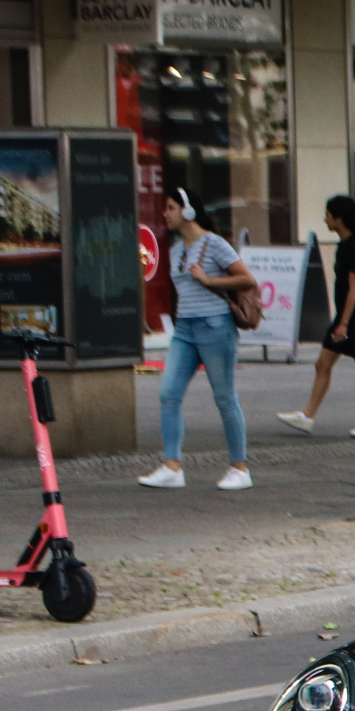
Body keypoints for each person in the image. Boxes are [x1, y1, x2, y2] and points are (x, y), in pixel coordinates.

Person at [139, 186, 254, 491]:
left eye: (171, 208)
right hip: (185, 331)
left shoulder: (215, 244)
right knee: (168, 394)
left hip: (215, 327)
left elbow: (247, 278)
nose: (165, 214)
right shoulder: (176, 250)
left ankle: (239, 468)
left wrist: (209, 279)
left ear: (188, 211)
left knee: (225, 397)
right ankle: (172, 466)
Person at [278, 196, 355, 439]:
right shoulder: (345, 245)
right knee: (323, 364)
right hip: (345, 316)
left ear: (339, 219)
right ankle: (307, 416)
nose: (325, 219)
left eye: (328, 215)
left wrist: (343, 323)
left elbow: (354, 289)